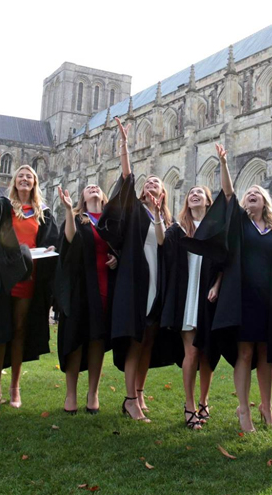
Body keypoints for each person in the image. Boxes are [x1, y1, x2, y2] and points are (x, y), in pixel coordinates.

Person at [0, 152, 59, 415]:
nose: (24, 179)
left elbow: (47, 240)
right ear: (15, 181)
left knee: (20, 330)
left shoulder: (42, 212)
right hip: (4, 278)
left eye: (29, 177)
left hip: (28, 278)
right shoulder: (4, 206)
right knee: (0, 332)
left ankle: (15, 388)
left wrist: (50, 247)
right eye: (20, 176)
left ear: (34, 183)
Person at [97, 118, 172, 422]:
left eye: (158, 183)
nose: (152, 184)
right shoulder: (135, 210)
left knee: (149, 339)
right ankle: (129, 399)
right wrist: (126, 147)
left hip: (157, 281)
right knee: (135, 339)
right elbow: (127, 179)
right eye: (148, 183)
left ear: (164, 195)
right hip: (135, 280)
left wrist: (159, 214)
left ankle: (139, 393)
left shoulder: (163, 219)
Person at [217, 144, 272, 433]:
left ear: (265, 202)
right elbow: (228, 194)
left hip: (269, 298)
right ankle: (243, 408)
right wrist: (223, 163)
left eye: (256, 195)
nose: (251, 197)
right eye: (249, 195)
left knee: (266, 356)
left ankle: (267, 407)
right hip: (244, 296)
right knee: (245, 353)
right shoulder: (239, 224)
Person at [160, 179, 228, 430]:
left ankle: (204, 401)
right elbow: (162, 247)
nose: (194, 195)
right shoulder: (178, 229)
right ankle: (189, 406)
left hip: (208, 294)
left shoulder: (215, 229)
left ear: (209, 201)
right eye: (191, 193)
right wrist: (158, 216)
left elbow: (224, 259)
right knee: (191, 352)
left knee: (208, 352)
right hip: (187, 296)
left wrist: (217, 286)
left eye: (200, 193)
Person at [54, 184, 117, 414]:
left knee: (97, 340)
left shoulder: (110, 221)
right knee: (76, 338)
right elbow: (69, 240)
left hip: (103, 285)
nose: (93, 188)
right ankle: (71, 394)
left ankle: (93, 393)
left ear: (103, 195)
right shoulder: (78, 218)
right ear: (82, 196)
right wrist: (69, 211)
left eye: (97, 187)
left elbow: (118, 248)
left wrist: (115, 259)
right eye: (88, 187)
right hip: (80, 287)